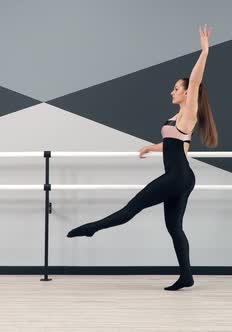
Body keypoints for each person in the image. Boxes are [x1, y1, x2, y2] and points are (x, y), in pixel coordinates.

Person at [67, 24, 218, 291]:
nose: (172, 92)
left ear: (186, 94)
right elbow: (178, 148)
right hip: (182, 177)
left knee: (130, 209)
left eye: (176, 89)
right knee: (174, 228)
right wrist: (152, 148)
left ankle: (92, 228)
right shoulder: (180, 120)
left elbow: (195, 81)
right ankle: (187, 276)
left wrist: (204, 50)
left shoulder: (189, 112)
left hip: (177, 177)